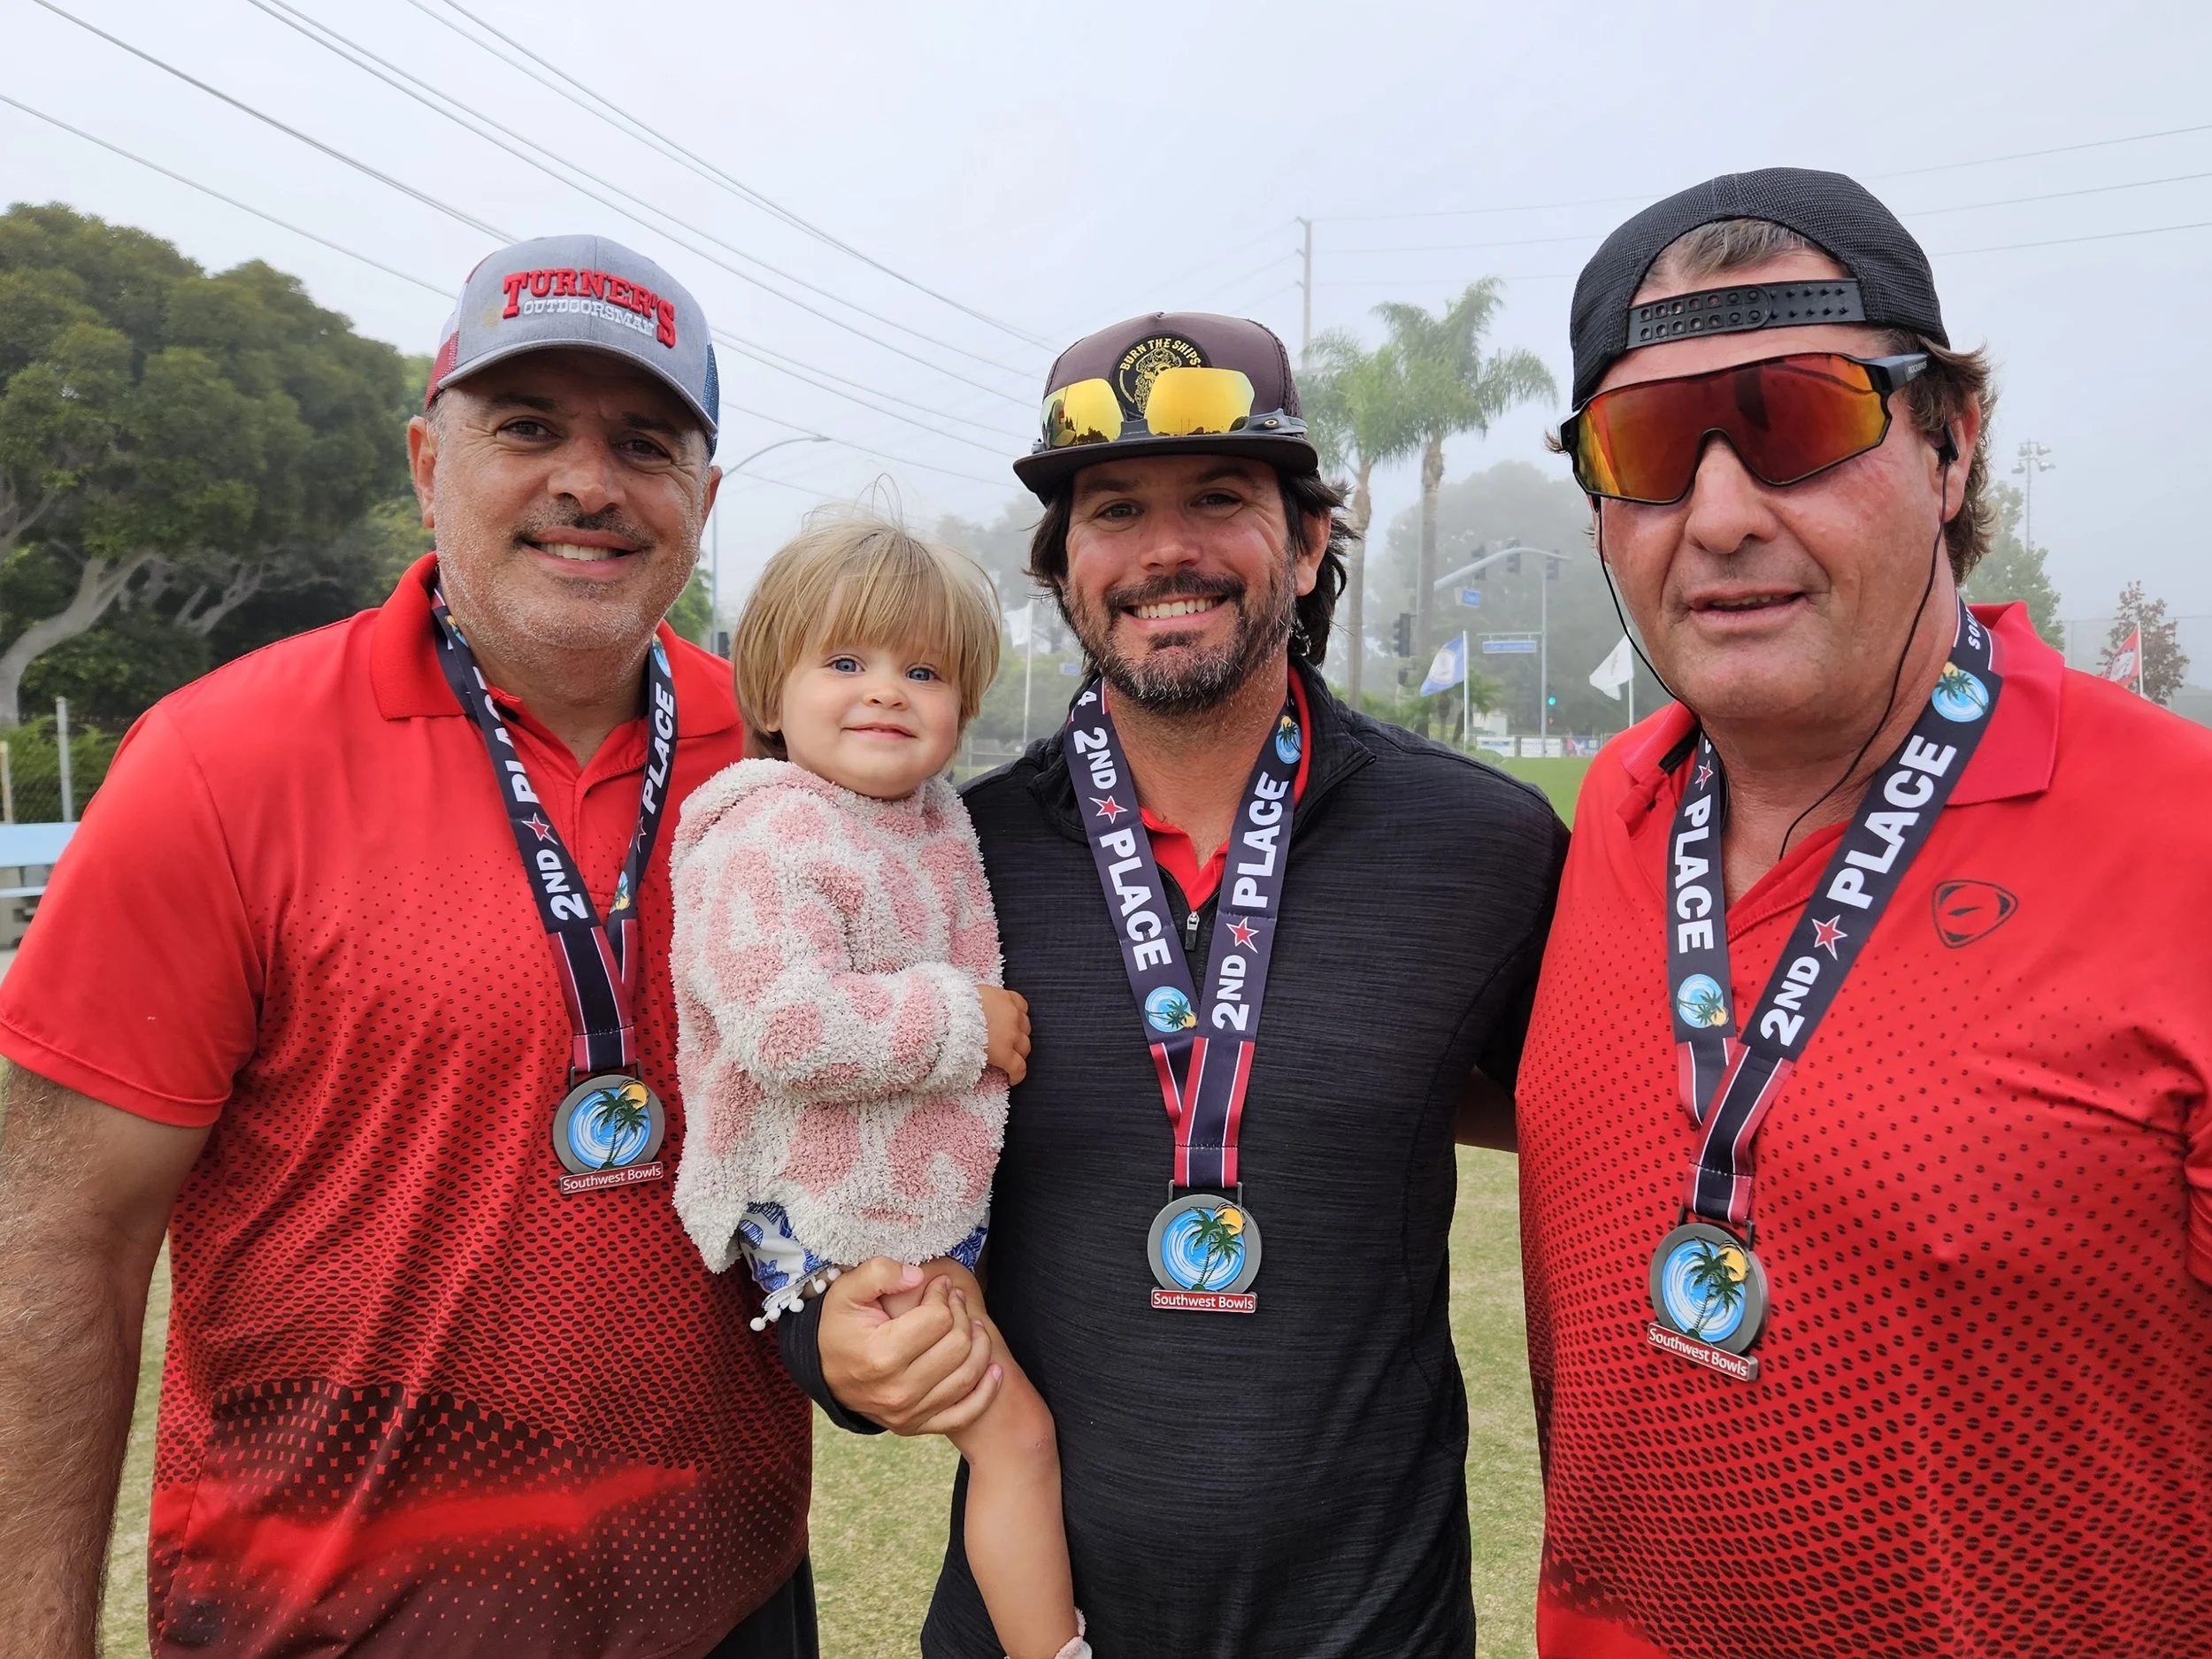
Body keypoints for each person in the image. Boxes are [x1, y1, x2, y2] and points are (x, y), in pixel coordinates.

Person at [0, 235, 818, 1658]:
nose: (587, 481)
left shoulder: (792, 758)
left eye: (644, 441)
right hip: (322, 1621)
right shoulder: (217, 764)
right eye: (525, 427)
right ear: (427, 463)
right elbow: (64, 1241)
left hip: (726, 1604)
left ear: (704, 499)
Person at [778, 312, 1568, 1657]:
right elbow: (812, 1132)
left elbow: (1599, 1124)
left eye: (1220, 497)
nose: (1164, 550)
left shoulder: (1482, 847)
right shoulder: (941, 857)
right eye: (1114, 509)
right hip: (1037, 1626)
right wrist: (825, 1341)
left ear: (1311, 541)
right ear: (1065, 566)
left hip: (1375, 1622)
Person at [1519, 167, 2212, 1658]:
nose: (1716, 515)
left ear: (1953, 449)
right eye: (1647, 446)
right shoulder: (1609, 822)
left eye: (1794, 419)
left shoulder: (2190, 838)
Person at [670, 511, 1085, 1659]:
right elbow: (784, 1021)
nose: (886, 692)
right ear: (771, 684)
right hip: (830, 1231)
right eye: (845, 662)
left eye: (924, 669)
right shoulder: (770, 837)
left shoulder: (933, 815)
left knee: (1032, 1431)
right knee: (1020, 1438)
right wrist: (963, 1018)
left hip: (913, 1210)